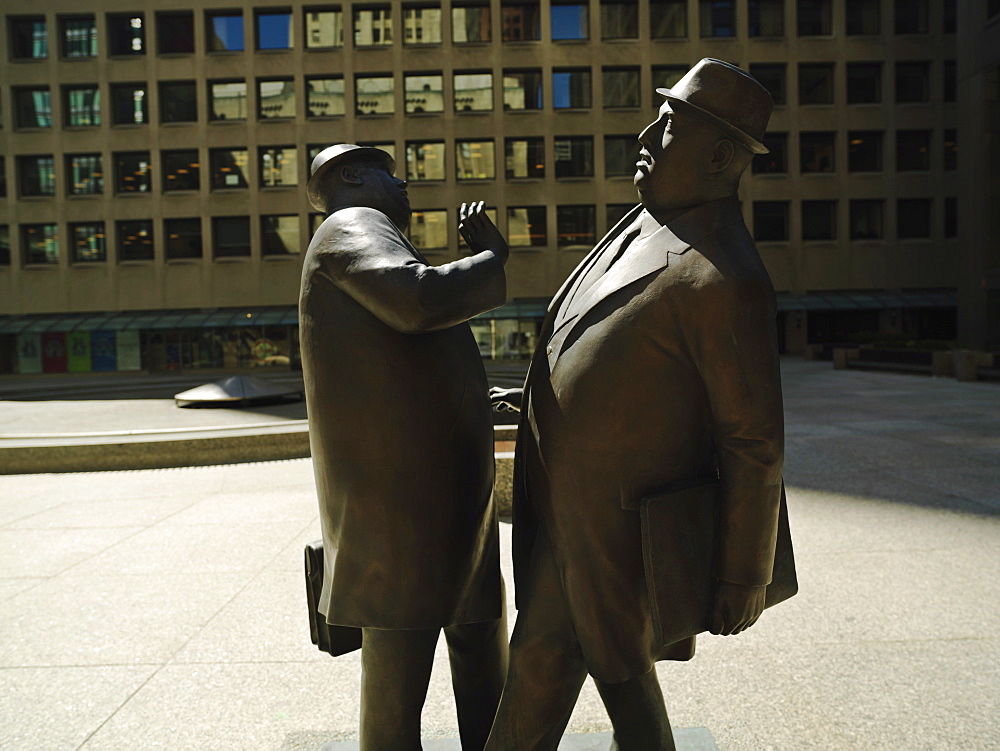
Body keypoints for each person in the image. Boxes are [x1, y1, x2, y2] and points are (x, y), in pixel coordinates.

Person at [487, 59, 790, 749]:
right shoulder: (643, 223)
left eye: (671, 124)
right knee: (568, 669)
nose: (648, 134)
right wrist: (540, 398)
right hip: (573, 519)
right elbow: (597, 341)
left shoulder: (725, 274)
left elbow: (754, 440)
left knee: (571, 668)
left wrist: (745, 570)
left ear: (718, 154)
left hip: (621, 533)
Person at [299, 144, 510, 750]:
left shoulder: (364, 236)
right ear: (352, 178)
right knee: (402, 686)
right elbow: (419, 300)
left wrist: (476, 399)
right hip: (404, 518)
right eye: (387, 173)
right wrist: (494, 257)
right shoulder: (350, 227)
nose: (402, 182)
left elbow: (397, 363)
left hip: (433, 507)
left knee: (470, 655)